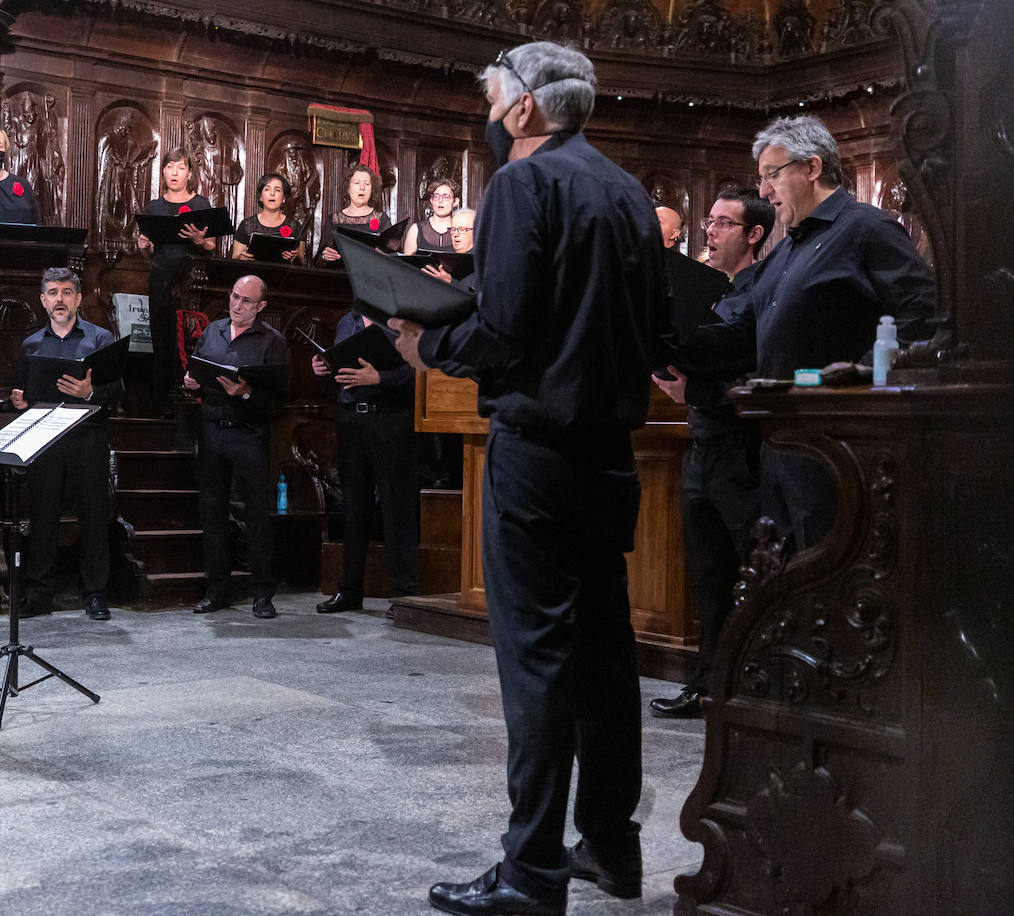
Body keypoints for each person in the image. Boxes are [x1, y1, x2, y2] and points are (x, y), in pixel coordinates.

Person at [390, 42, 665, 914]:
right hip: (610, 456)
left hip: (539, 451)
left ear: (522, 112)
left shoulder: (520, 184)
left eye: (493, 100)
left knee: (538, 661)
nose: (490, 114)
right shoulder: (626, 191)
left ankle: (531, 873)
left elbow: (504, 327)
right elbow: (654, 323)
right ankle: (613, 851)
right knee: (604, 657)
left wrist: (428, 344)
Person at [676, 115, 936, 551]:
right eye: (761, 179)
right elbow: (743, 335)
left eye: (771, 175)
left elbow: (922, 313)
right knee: (785, 585)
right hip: (779, 448)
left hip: (839, 447)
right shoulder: (784, 252)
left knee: (830, 580)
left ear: (812, 168)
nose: (763, 191)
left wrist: (863, 376)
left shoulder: (866, 229)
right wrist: (668, 340)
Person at [647, 189, 773, 719]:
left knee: (752, 571)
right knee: (707, 578)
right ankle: (706, 686)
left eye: (724, 223)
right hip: (701, 449)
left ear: (754, 235)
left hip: (740, 453)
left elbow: (761, 379)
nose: (711, 232)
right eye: (710, 222)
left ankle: (754, 686)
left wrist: (691, 391)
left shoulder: (760, 295)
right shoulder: (716, 292)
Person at [9, 268, 123, 620]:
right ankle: (40, 593)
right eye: (53, 292)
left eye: (67, 292)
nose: (60, 298)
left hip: (87, 438)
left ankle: (95, 594)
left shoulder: (101, 339)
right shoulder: (31, 344)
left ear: (77, 298)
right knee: (43, 517)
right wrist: (19, 400)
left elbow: (117, 390)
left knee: (92, 515)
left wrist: (90, 392)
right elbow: (21, 392)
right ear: (43, 300)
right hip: (45, 439)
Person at [183, 275, 288, 620]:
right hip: (212, 430)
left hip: (249, 432)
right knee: (212, 512)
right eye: (234, 296)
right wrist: (190, 383)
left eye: (246, 300)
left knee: (257, 513)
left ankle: (262, 593)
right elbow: (196, 371)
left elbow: (278, 401)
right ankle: (217, 589)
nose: (237, 304)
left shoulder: (273, 342)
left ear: (261, 307)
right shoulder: (213, 331)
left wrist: (244, 393)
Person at [312, 311, 419, 613]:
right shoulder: (348, 321)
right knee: (353, 508)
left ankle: (403, 596)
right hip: (351, 419)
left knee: (396, 508)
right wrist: (323, 367)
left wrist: (380, 378)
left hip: (390, 420)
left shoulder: (404, 321)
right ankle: (349, 591)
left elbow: (421, 370)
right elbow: (341, 369)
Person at [137, 147, 216, 408]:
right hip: (160, 279)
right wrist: (144, 247)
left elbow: (211, 247)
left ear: (189, 173)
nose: (175, 172)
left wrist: (199, 240)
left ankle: (189, 396)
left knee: (190, 339)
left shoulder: (200, 204)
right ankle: (162, 401)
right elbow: (151, 256)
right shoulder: (155, 206)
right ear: (163, 172)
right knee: (162, 339)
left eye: (181, 167)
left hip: (192, 282)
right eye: (170, 167)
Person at [315, 163, 389, 267]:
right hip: (339, 277)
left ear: (372, 190)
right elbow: (318, 259)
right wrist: (324, 256)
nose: (362, 187)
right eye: (357, 183)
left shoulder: (382, 220)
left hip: (371, 278)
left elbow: (393, 255)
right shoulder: (333, 220)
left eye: (367, 184)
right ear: (348, 188)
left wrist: (384, 255)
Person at [229, 173, 306, 264]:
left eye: (277, 190)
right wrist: (242, 258)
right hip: (253, 274)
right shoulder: (246, 225)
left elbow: (302, 262)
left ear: (284, 198)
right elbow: (235, 259)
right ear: (261, 197)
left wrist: (295, 257)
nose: (272, 193)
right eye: (267, 189)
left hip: (283, 275)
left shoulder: (295, 226)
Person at [420, 208, 477, 285]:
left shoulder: (484, 260)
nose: (456, 234)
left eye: (462, 229)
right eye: (453, 229)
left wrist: (451, 282)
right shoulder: (441, 257)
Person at [402, 178, 459, 254]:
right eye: (436, 196)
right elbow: (406, 264)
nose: (440, 201)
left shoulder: (462, 231)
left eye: (446, 197)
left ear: (455, 202)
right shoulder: (416, 230)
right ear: (431, 200)